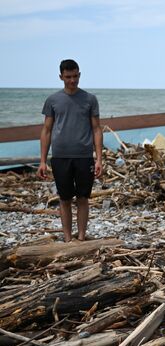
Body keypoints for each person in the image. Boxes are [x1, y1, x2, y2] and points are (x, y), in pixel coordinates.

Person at [37, 59, 103, 242]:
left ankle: (81, 238)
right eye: (68, 77)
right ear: (61, 77)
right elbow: (46, 130)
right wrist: (42, 161)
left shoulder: (90, 99)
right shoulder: (53, 100)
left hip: (84, 157)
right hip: (60, 157)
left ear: (79, 75)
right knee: (64, 199)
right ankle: (67, 239)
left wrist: (99, 159)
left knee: (83, 198)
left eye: (75, 76)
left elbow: (97, 129)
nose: (72, 80)